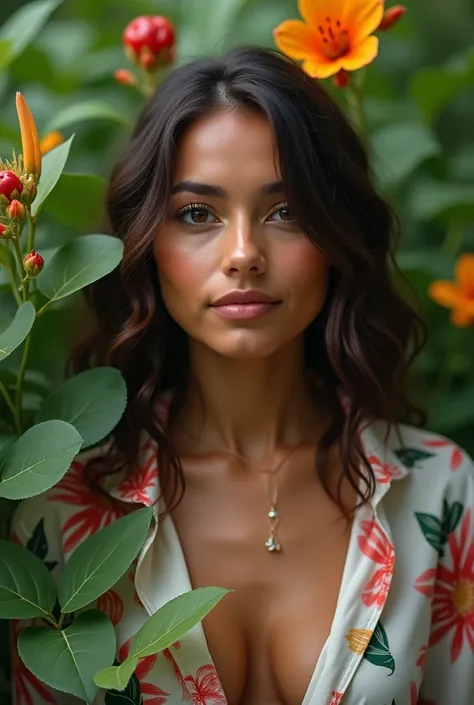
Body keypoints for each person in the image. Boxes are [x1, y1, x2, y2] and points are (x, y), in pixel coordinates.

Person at [11, 46, 474, 705]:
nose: (243, 255)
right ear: (146, 244)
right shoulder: (63, 508)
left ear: (337, 235)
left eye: (285, 212)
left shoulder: (442, 493)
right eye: (198, 214)